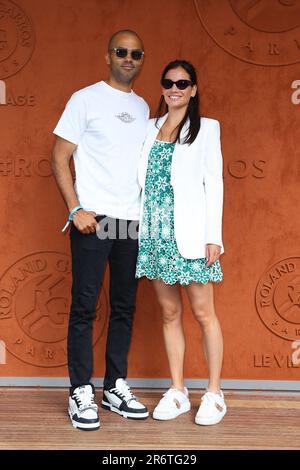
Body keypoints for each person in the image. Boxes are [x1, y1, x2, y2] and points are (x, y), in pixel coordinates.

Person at [52, 29, 150, 430]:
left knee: (125, 308)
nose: (129, 58)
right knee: (85, 306)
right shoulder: (85, 98)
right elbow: (59, 157)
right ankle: (80, 390)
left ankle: (114, 386)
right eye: (122, 52)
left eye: (136, 53)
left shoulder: (145, 106)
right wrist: (75, 208)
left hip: (132, 222)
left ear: (141, 60)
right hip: (94, 221)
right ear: (108, 56)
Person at [136, 60, 226, 425]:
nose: (175, 88)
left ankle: (214, 393)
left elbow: (214, 183)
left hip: (190, 234)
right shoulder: (148, 128)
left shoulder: (206, 129)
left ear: (193, 89)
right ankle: (178, 390)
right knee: (170, 313)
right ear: (162, 87)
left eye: (182, 82)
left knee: (204, 314)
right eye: (169, 82)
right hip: (155, 233)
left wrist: (213, 237)